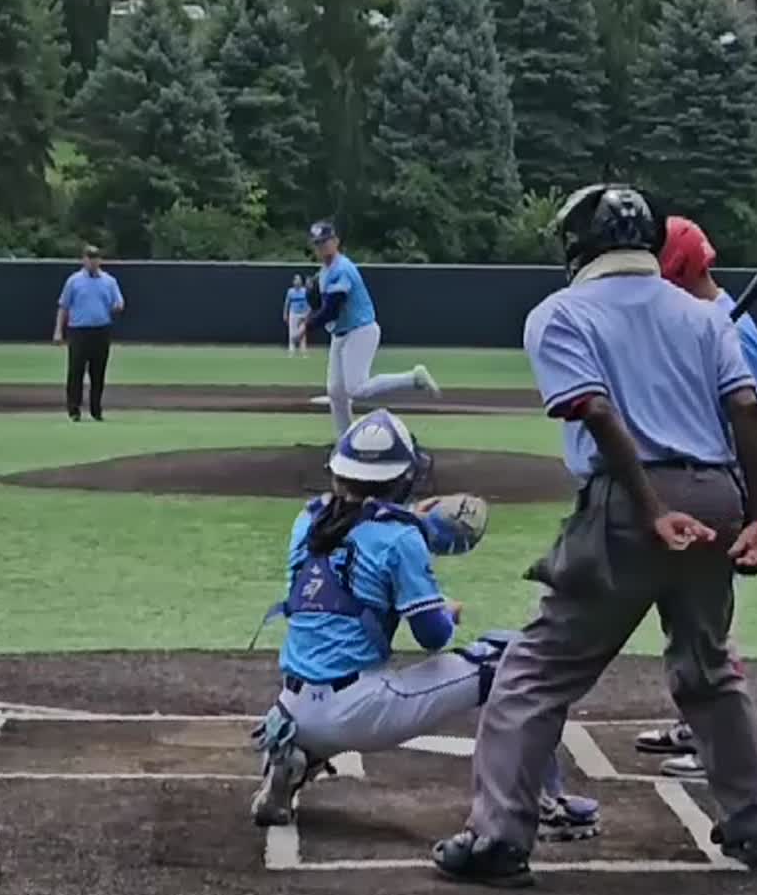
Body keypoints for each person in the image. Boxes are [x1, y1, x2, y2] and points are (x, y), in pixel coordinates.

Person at [433, 182, 757, 889]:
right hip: (720, 491)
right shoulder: (703, 315)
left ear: (578, 245)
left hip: (630, 503)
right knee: (708, 663)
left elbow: (595, 411)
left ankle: (498, 835)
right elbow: (747, 410)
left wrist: (653, 506)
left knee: (535, 670)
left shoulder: (559, 314)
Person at [250, 407, 599, 841]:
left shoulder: (307, 521)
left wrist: (411, 520)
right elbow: (433, 636)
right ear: (402, 478)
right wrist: (445, 608)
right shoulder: (400, 538)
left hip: (291, 707)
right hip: (361, 709)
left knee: (321, 687)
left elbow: (354, 546)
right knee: (515, 659)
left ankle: (291, 757)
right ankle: (544, 802)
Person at [635, 215, 757, 780]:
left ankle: (716, 742)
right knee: (690, 615)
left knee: (708, 622)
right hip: (703, 478)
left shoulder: (733, 329)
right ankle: (695, 721)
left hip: (727, 483)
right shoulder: (702, 321)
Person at [303, 220, 441, 439]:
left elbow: (331, 309)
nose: (322, 247)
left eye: (325, 241)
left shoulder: (342, 270)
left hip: (361, 331)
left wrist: (307, 325)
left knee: (356, 389)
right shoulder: (324, 271)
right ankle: (345, 440)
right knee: (336, 391)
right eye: (318, 243)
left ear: (336, 241)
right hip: (341, 334)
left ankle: (414, 378)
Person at [53, 245, 125, 422]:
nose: (92, 261)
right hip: (79, 330)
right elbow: (64, 306)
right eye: (89, 257)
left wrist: (118, 307)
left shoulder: (109, 281)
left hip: (101, 330)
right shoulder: (74, 281)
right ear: (83, 260)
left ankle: (96, 409)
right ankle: (74, 409)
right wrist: (58, 331)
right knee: (76, 371)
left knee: (98, 372)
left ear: (100, 260)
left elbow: (119, 302)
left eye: (95, 257)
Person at [283, 273, 310, 353]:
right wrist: (285, 313)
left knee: (302, 331)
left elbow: (308, 303)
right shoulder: (290, 291)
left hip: (303, 314)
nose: (298, 281)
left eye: (299, 280)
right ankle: (292, 348)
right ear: (293, 281)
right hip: (293, 313)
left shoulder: (305, 291)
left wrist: (307, 314)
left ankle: (303, 349)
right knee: (292, 331)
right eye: (296, 280)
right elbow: (287, 303)